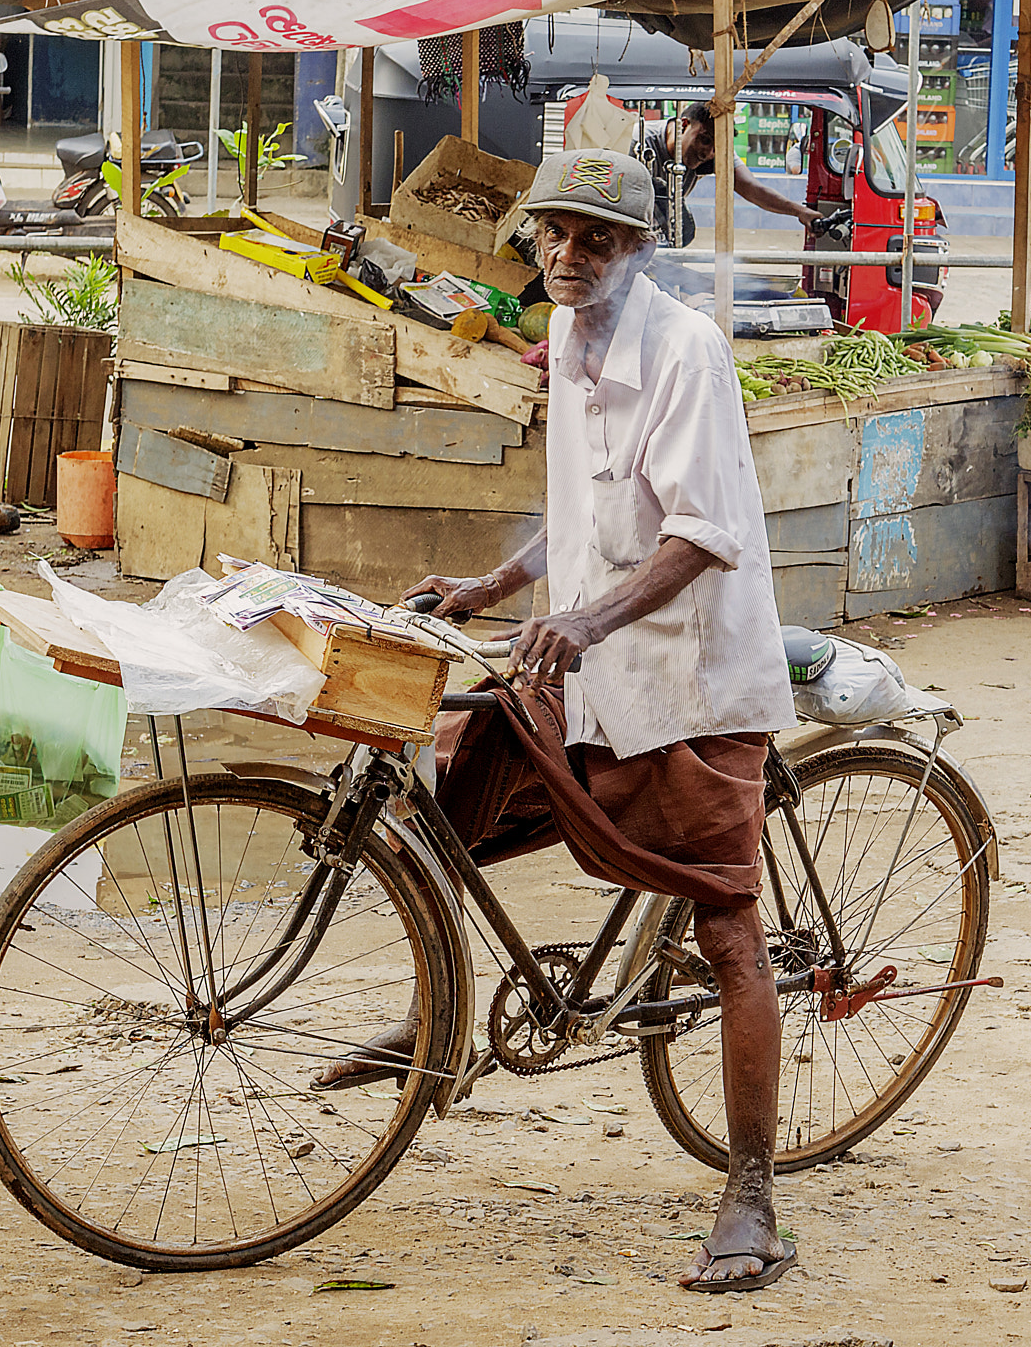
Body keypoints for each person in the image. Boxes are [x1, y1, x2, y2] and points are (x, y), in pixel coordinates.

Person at [317, 148, 799, 1293]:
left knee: (728, 934)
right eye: (553, 236)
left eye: (595, 238)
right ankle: (434, 1016)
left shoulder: (686, 353)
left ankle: (750, 1195)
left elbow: (698, 535)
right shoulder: (571, 349)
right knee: (457, 801)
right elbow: (579, 522)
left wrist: (580, 622)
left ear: (637, 247)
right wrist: (494, 588)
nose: (568, 256)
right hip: (588, 657)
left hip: (692, 678)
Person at [636, 102, 821, 246]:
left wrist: (801, 212)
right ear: (683, 125)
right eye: (705, 140)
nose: (708, 153)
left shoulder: (718, 150)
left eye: (717, 147)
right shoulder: (639, 142)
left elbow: (752, 189)